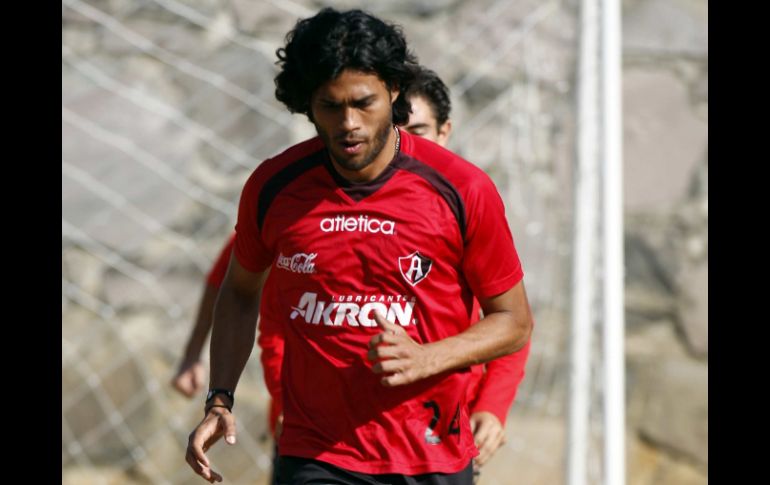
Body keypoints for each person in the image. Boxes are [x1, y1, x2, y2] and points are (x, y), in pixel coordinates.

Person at [184, 8, 534, 484]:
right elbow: (240, 291)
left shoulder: (463, 189)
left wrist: (427, 357)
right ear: (308, 104)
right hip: (316, 453)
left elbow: (514, 322)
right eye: (330, 106)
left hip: (430, 453)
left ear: (394, 90)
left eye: (363, 102)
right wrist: (219, 397)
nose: (349, 122)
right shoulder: (274, 187)